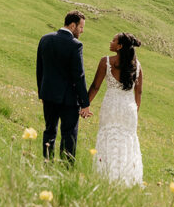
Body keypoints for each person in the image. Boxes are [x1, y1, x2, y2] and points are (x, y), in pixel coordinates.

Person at [88, 32, 143, 186]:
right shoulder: (137, 66)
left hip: (111, 107)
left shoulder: (106, 61)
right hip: (128, 109)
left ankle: (106, 177)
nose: (110, 42)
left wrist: (84, 105)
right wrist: (135, 110)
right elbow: (138, 92)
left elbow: (95, 86)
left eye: (113, 40)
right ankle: (127, 179)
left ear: (119, 46)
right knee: (127, 140)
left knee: (108, 137)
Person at [36, 10, 92, 161]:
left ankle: (46, 163)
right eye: (81, 27)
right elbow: (79, 76)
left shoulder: (45, 39)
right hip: (68, 100)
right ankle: (66, 168)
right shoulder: (76, 45)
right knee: (69, 135)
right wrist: (85, 103)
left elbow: (39, 69)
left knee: (49, 131)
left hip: (48, 95)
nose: (82, 31)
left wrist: (41, 92)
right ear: (73, 25)